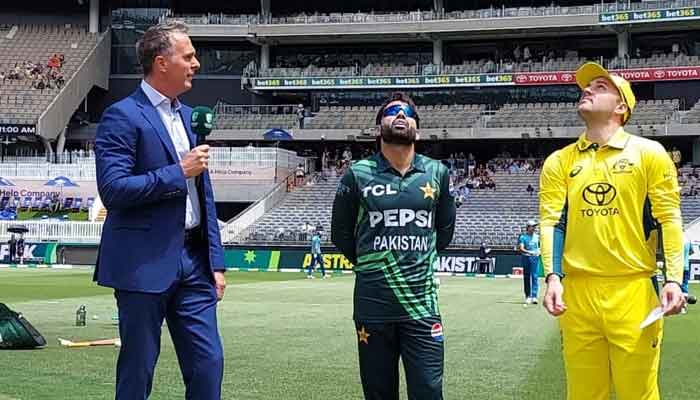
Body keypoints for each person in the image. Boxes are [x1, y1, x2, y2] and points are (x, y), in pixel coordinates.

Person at [93, 22, 226, 400]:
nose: (196, 64)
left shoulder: (188, 117)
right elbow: (114, 190)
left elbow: (205, 194)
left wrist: (215, 261)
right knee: (138, 369)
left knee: (208, 365)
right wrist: (177, 171)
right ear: (161, 62)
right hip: (142, 263)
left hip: (194, 262)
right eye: (188, 56)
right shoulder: (123, 115)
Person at [539, 62, 685, 400]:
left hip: (633, 290)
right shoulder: (558, 161)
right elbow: (552, 222)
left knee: (639, 394)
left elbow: (669, 219)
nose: (587, 90)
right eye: (586, 87)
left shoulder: (650, 154)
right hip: (577, 294)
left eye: (601, 87)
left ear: (622, 107)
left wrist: (674, 278)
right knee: (583, 394)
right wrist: (552, 277)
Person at [331, 92, 456, 400]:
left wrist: (418, 263)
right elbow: (341, 234)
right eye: (392, 112)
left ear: (418, 129)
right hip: (373, 307)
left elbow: (445, 231)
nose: (401, 115)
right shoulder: (357, 174)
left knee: (428, 391)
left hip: (422, 305)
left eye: (408, 113)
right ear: (378, 128)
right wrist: (372, 264)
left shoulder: (437, 173)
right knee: (378, 393)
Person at [517, 220, 540, 305]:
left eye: (535, 226)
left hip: (535, 258)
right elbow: (521, 248)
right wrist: (530, 252)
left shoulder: (537, 236)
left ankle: (534, 296)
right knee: (527, 277)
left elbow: (539, 246)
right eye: (532, 226)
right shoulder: (523, 237)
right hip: (526, 258)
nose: (534, 228)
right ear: (528, 227)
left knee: (535, 276)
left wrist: (539, 251)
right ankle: (528, 296)